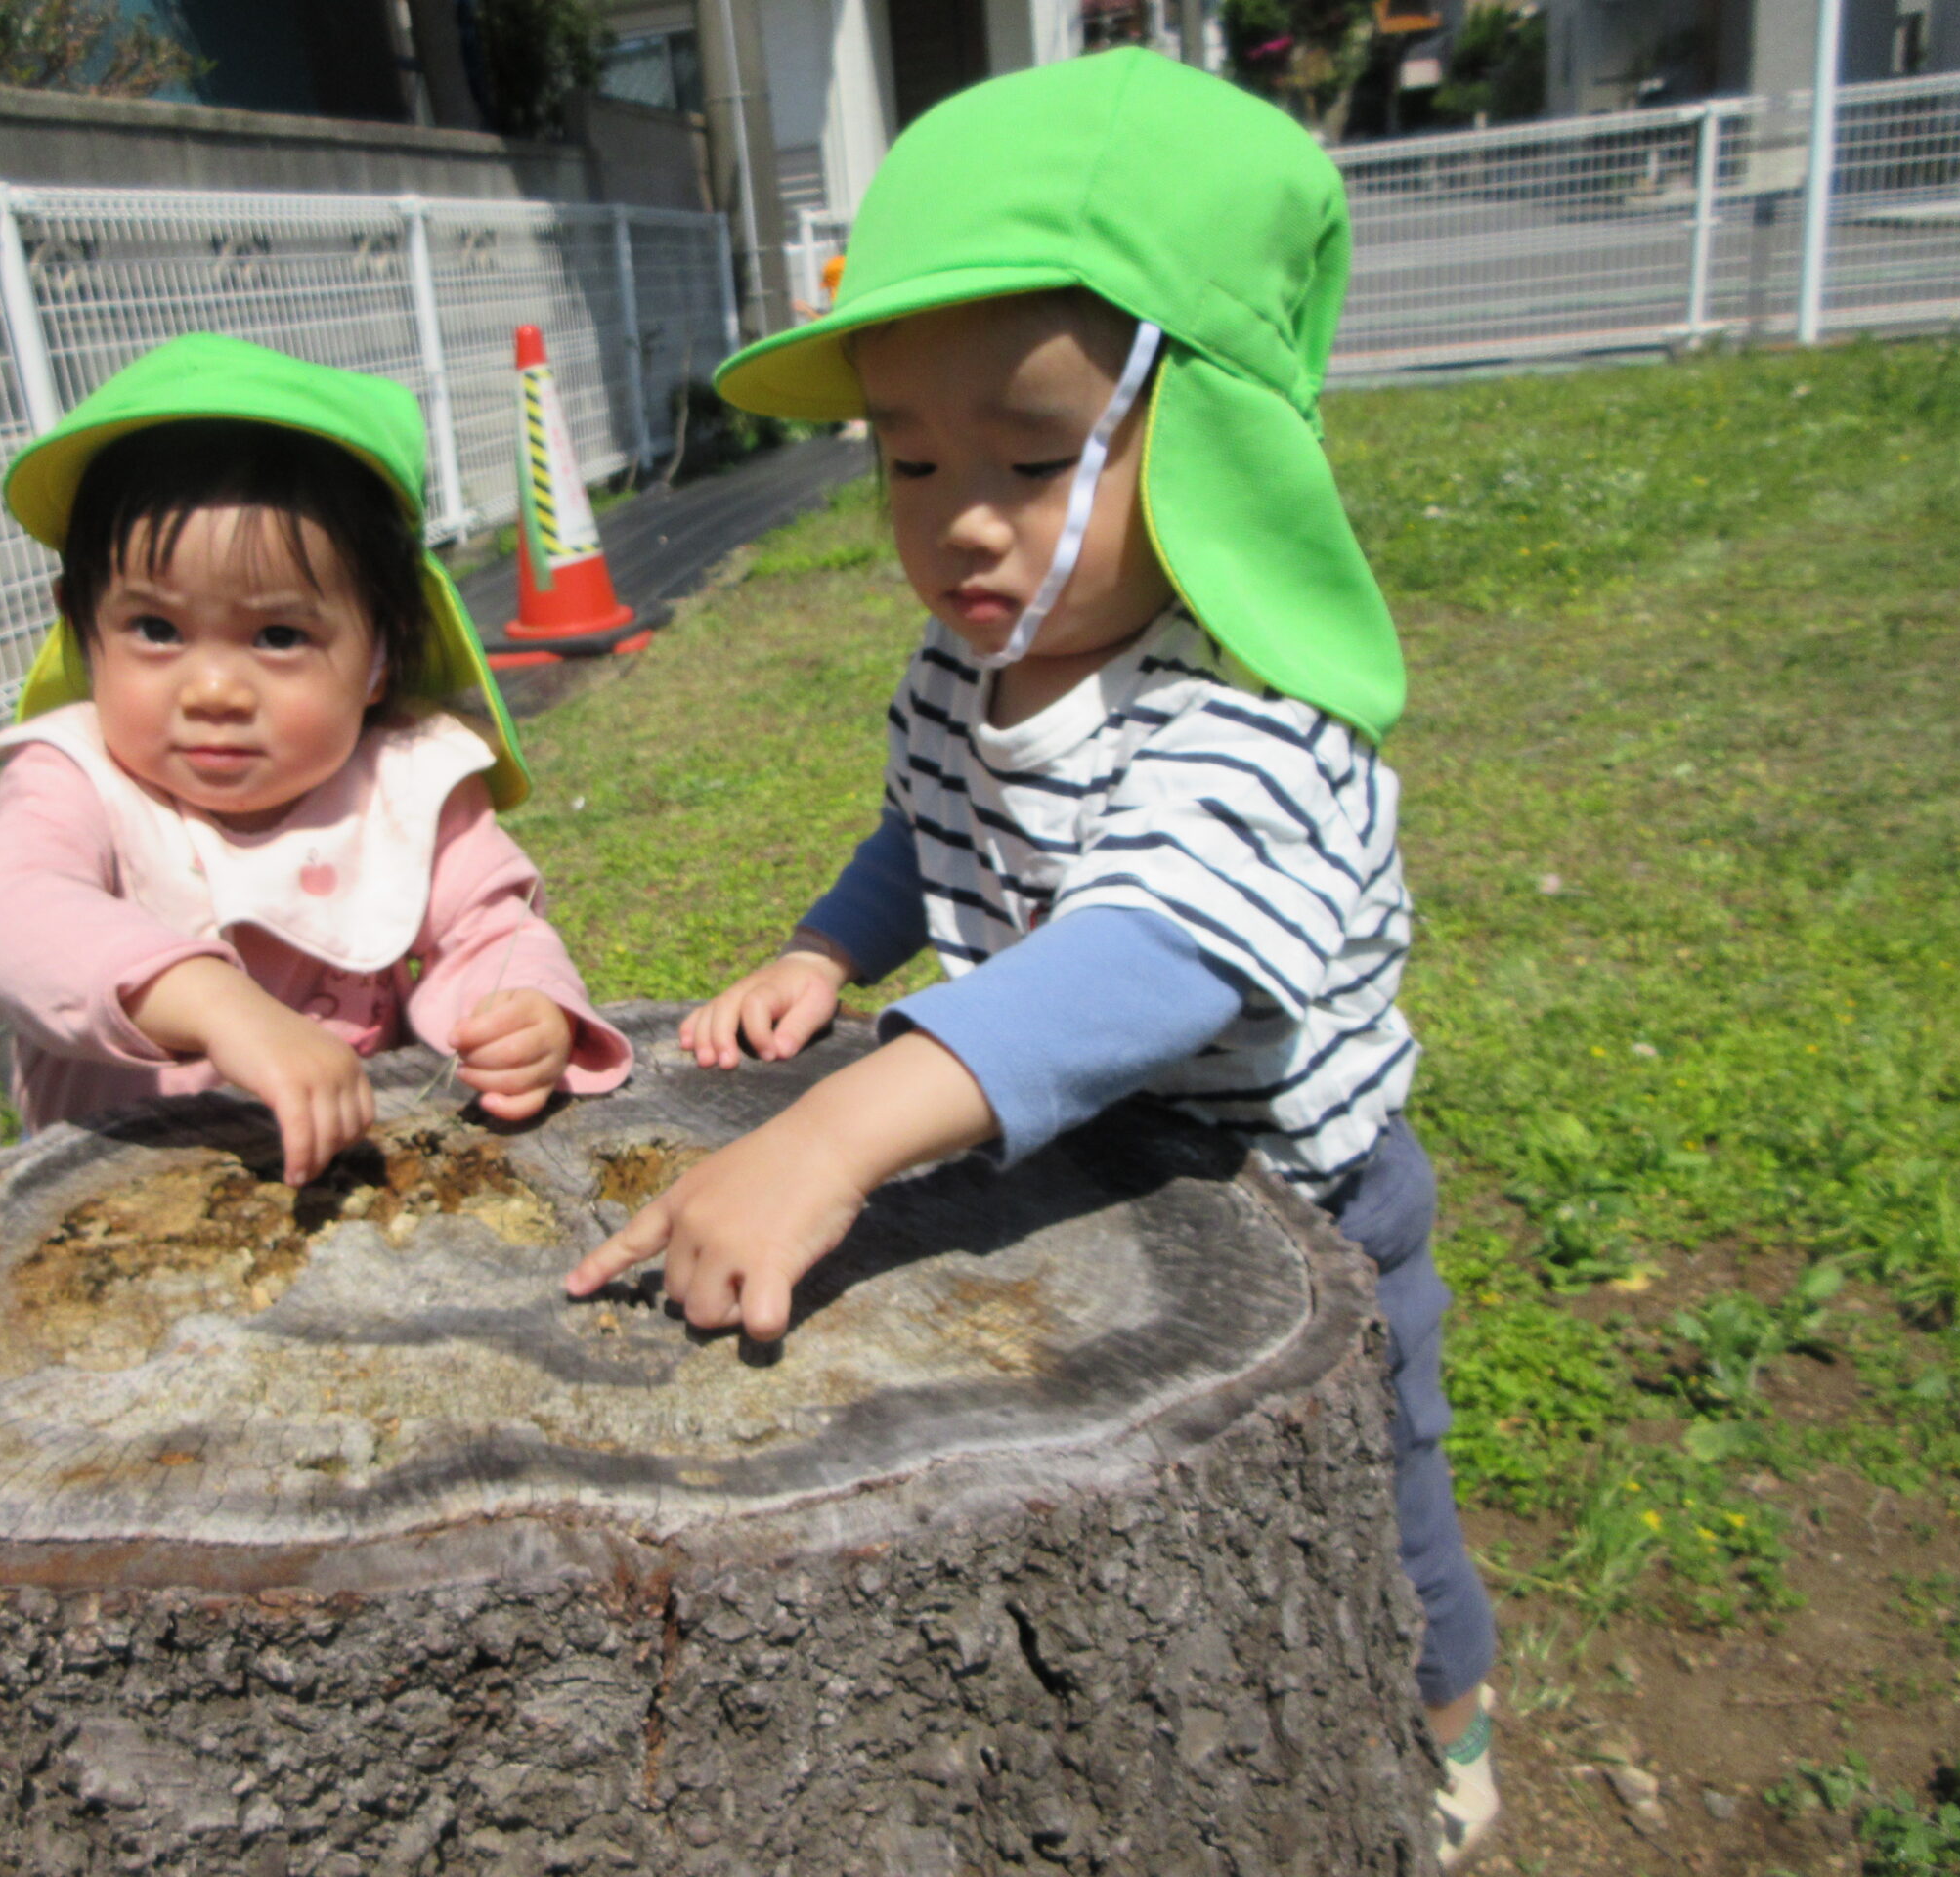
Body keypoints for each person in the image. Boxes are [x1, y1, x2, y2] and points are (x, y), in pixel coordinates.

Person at [562, 48, 1497, 1866]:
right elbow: (925, 833)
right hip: (1096, 1180)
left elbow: (1146, 962)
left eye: (1036, 454)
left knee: (1388, 1508)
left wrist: (831, 1136)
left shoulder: (1249, 719)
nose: (959, 515)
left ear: (1210, 439)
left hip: (1298, 1215)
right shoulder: (965, 676)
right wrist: (831, 949)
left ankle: (1448, 1721)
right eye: (909, 458)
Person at [0, 334, 632, 1185]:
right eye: (155, 629)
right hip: (118, 1186)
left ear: (380, 652)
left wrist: (520, 1008)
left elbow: (490, 926)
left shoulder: (403, 781)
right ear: (81, 622)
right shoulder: (74, 778)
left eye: (278, 636)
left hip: (353, 1178)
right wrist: (215, 1003)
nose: (213, 690)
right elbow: (13, 911)